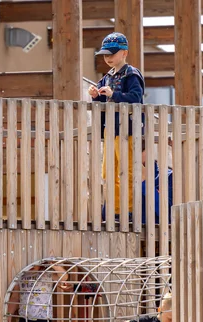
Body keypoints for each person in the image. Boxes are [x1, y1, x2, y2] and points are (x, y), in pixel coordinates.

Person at [88, 32, 146, 222]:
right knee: (108, 171)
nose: (108, 58)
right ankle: (112, 208)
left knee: (126, 170)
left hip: (127, 130)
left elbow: (135, 98)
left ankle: (126, 209)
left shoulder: (132, 74)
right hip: (111, 130)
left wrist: (113, 95)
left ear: (124, 53)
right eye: (105, 54)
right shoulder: (106, 77)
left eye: (112, 53)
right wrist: (96, 95)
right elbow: (103, 101)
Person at [6, 260, 72, 322]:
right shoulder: (21, 276)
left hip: (42, 319)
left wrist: (54, 265)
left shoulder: (47, 274)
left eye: (35, 264)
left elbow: (64, 277)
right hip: (24, 318)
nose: (32, 266)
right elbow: (15, 297)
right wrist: (9, 313)